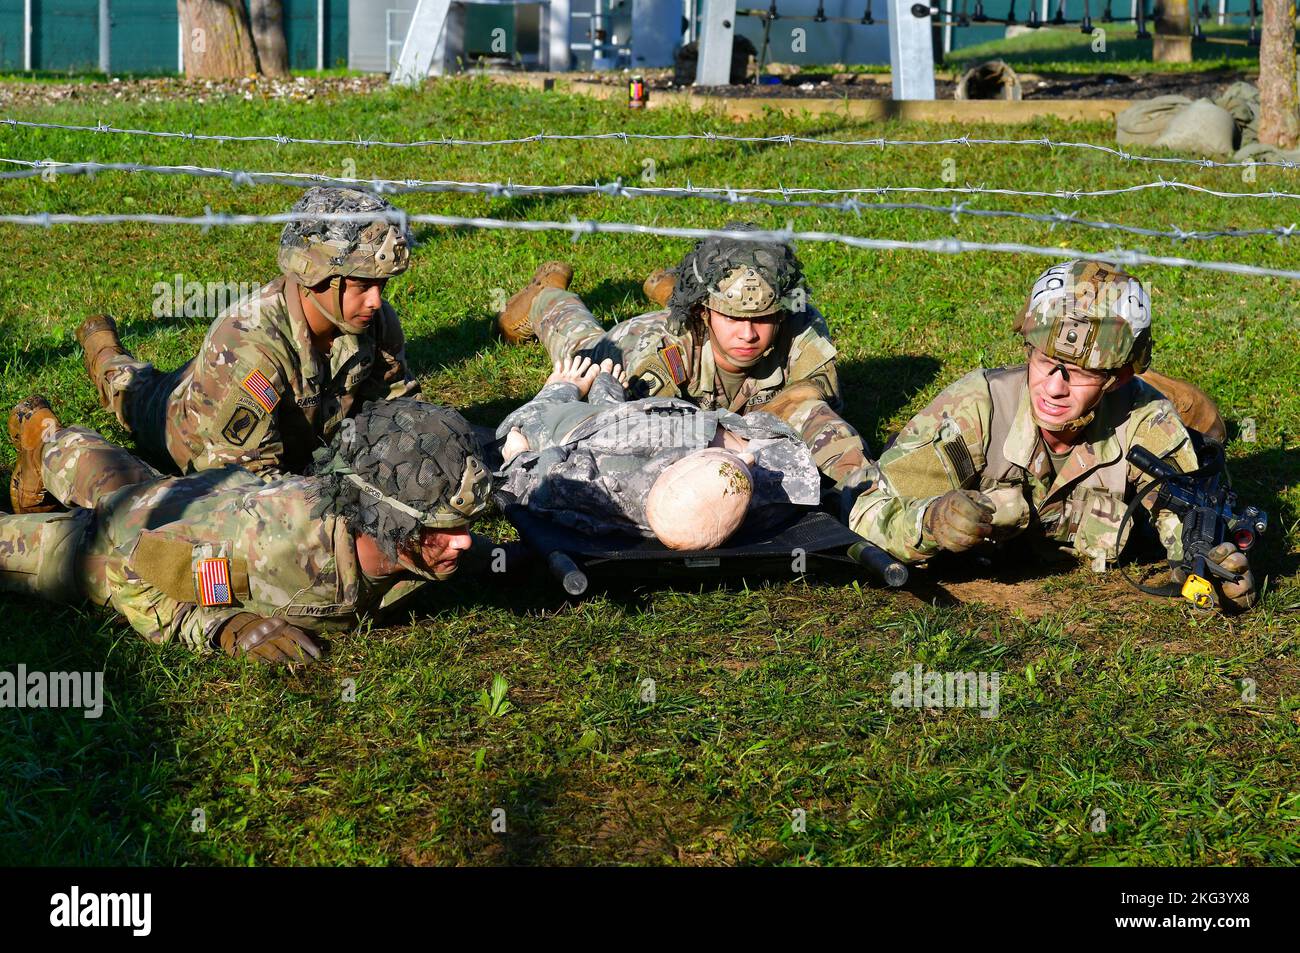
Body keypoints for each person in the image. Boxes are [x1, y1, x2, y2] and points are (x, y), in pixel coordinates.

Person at [846, 259, 1255, 612]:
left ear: (1118, 377)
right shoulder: (976, 408)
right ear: (1028, 348)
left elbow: (1186, 516)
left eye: (1079, 374)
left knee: (1205, 428)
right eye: (1045, 363)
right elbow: (863, 510)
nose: (1054, 388)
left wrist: (1206, 564)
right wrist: (931, 521)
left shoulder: (1147, 420)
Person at [1, 395, 490, 665]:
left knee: (127, 485)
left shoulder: (392, 532)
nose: (463, 541)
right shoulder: (272, 552)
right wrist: (222, 626)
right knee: (103, 517)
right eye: (440, 528)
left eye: (464, 525)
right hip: (116, 545)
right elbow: (137, 569)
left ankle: (46, 435)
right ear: (386, 519)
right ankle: (46, 445)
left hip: (204, 495)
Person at [75, 186, 420, 482]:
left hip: (269, 423)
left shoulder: (372, 321)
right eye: (362, 285)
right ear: (315, 276)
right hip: (188, 429)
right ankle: (103, 350)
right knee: (130, 388)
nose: (376, 301)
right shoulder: (248, 348)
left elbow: (397, 409)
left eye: (382, 285)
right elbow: (246, 481)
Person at [495, 223, 870, 492]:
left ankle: (670, 288)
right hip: (630, 346)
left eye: (763, 319)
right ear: (704, 313)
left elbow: (821, 409)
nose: (748, 333)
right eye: (733, 318)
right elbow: (639, 431)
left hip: (697, 329)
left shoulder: (800, 322)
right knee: (582, 342)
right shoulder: (662, 350)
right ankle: (546, 295)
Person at [494, 355, 821, 545]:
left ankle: (568, 388)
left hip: (593, 433)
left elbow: (536, 484)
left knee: (522, 423)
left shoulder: (609, 486)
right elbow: (781, 444)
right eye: (741, 464)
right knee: (612, 402)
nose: (748, 459)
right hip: (663, 416)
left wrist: (519, 455)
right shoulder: (773, 496)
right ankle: (608, 392)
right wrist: (737, 443)